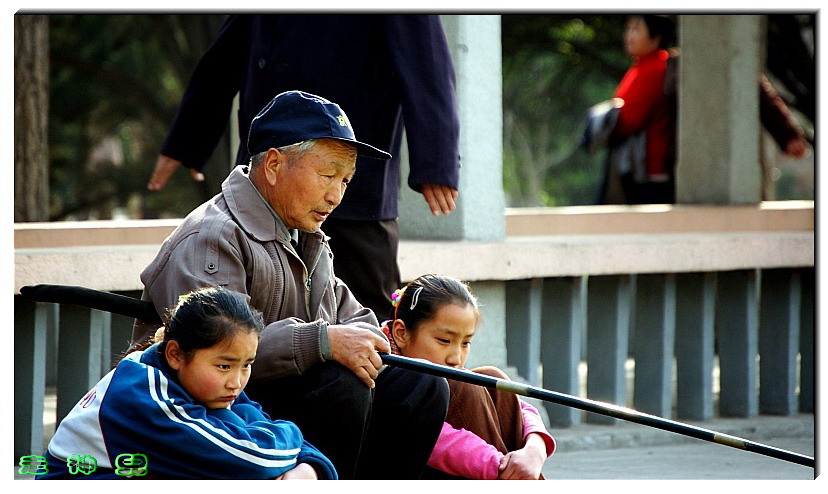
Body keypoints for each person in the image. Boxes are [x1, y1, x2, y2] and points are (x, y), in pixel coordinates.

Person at [132, 90, 450, 480]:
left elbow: (356, 319)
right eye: (327, 175)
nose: (336, 196)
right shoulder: (211, 237)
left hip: (274, 397)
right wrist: (322, 342)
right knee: (341, 385)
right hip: (212, 411)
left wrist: (367, 344)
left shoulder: (307, 235)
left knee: (421, 383)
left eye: (346, 180)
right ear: (273, 165)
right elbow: (213, 352)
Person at [146, 14, 461, 320]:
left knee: (370, 328)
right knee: (243, 321)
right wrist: (188, 140)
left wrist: (436, 162)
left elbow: (426, 60)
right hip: (265, 180)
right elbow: (229, 49)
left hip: (356, 190)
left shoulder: (341, 191)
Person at [38, 286, 337, 480]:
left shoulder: (210, 387)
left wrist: (309, 468)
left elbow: (257, 432)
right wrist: (296, 440)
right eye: (224, 365)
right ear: (176, 354)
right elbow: (252, 459)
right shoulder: (145, 396)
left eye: (247, 365)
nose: (236, 381)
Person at [381, 274, 556, 480]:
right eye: (444, 340)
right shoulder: (383, 370)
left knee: (491, 377)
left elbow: (523, 410)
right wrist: (502, 467)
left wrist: (535, 449)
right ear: (401, 333)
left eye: (465, 343)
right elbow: (433, 436)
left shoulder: (447, 369)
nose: (456, 357)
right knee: (464, 385)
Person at [598, 14, 676, 205]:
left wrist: (603, 125)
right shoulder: (641, 65)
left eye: (636, 29)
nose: (629, 36)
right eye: (628, 29)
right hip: (638, 164)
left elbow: (629, 120)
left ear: (656, 37)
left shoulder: (655, 67)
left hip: (648, 167)